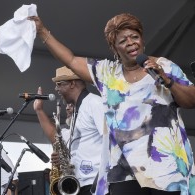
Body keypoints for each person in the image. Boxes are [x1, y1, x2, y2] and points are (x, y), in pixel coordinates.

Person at [28, 13, 195, 195]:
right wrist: (42, 31)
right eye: (123, 40)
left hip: (165, 166)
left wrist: (166, 80)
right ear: (114, 48)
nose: (131, 42)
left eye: (135, 37)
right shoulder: (107, 73)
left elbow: (191, 100)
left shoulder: (164, 66)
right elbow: (70, 60)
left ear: (142, 39)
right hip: (124, 172)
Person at [33, 66, 105, 195]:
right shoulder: (78, 111)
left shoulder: (95, 103)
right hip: (81, 184)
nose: (56, 89)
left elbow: (111, 142)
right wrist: (66, 160)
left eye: (59, 84)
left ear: (72, 83)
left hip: (96, 184)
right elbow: (57, 138)